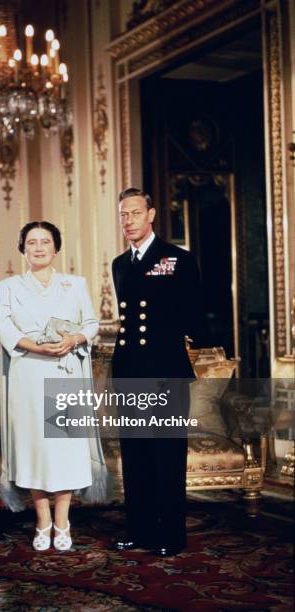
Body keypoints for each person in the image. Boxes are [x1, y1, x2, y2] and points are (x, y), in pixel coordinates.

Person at [0, 221, 108, 552]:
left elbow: (92, 323)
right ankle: (42, 520)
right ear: (23, 249)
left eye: (45, 241)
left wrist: (74, 338)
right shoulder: (10, 287)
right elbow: (3, 326)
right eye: (32, 242)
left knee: (64, 450)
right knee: (35, 450)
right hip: (28, 374)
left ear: (56, 248)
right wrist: (34, 346)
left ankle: (63, 521)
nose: (39, 247)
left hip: (65, 371)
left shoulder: (75, 284)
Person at [111, 188, 204, 557]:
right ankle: (140, 529)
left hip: (165, 369)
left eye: (135, 213)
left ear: (151, 214)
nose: (129, 221)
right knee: (135, 453)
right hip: (129, 370)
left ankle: (171, 534)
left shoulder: (177, 258)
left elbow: (194, 312)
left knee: (166, 453)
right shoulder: (120, 264)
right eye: (123, 215)